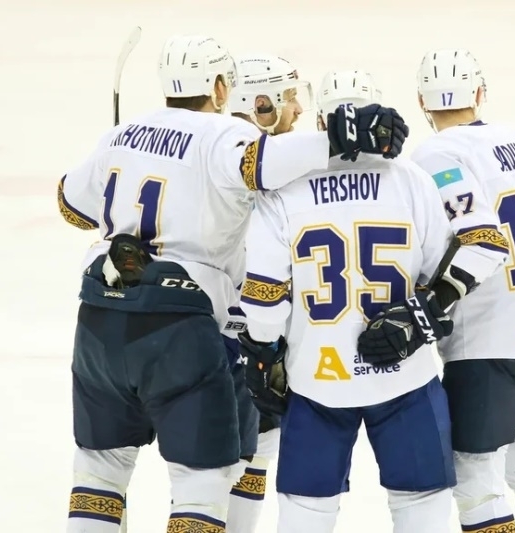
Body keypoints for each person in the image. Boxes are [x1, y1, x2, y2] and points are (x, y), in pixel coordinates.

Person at [57, 34, 409, 533]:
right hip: (187, 327)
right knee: (205, 480)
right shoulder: (225, 138)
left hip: (100, 320)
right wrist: (341, 135)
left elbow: (70, 206)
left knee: (100, 471)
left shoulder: (122, 133)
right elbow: (260, 163)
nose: (298, 109)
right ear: (223, 87)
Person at [359, 48, 515, 533]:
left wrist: (431, 301)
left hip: (491, 334)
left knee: (477, 481)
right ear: (479, 93)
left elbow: (483, 241)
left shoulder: (436, 154)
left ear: (421, 101)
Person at [236, 69, 458, 533]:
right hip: (406, 375)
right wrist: (421, 317)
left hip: (316, 378)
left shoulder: (286, 188)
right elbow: (443, 274)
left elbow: (263, 295)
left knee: (305, 512)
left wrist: (264, 350)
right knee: (422, 506)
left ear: (321, 122)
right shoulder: (412, 179)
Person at [224, 53, 313, 533]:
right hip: (240, 338)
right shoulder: (260, 164)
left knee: (245, 457)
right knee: (214, 472)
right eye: (290, 98)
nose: (298, 110)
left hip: (240, 333)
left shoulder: (220, 150)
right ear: (261, 104)